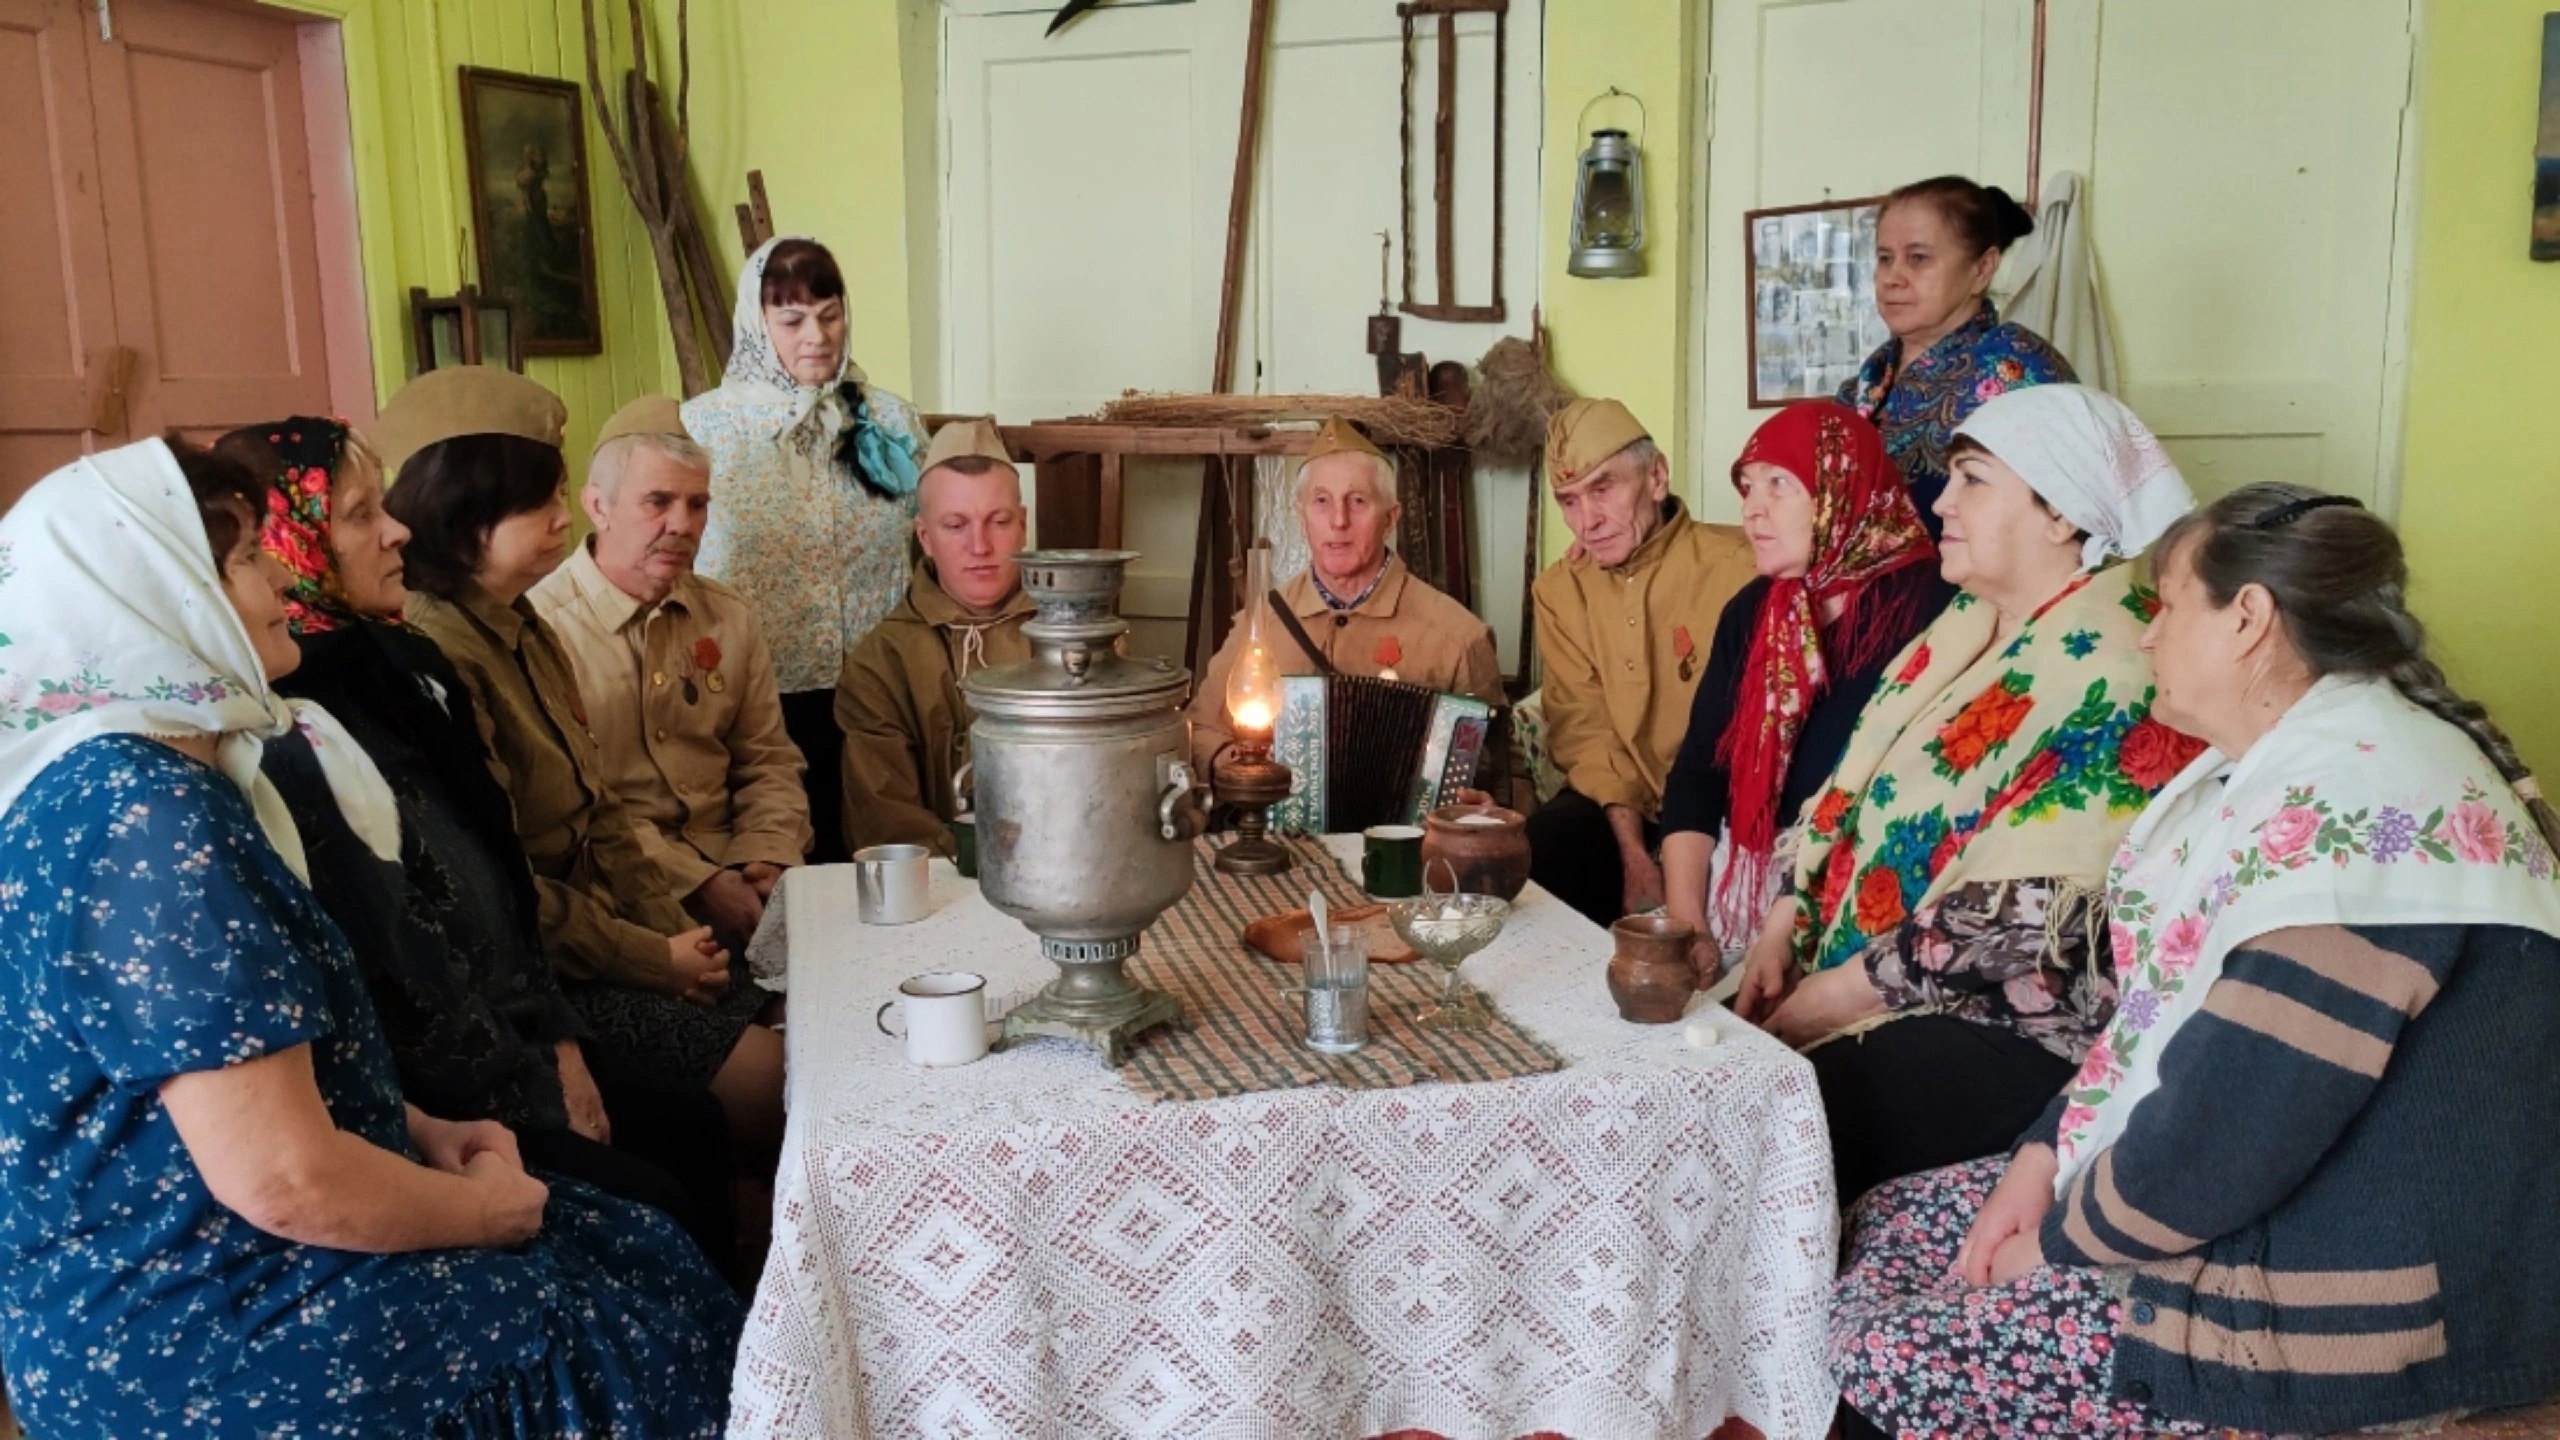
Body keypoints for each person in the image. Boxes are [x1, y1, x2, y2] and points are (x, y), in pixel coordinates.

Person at [0, 437, 739, 1438]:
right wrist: (485, 1213)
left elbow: (250, 1080)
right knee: (628, 1315)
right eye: (246, 561)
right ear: (155, 594)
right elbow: (283, 1178)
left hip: (218, 1258)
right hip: (199, 1323)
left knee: (631, 1241)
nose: (274, 583)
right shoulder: (144, 818)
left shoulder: (134, 779)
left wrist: (421, 1131)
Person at [1830, 483, 2560, 1440]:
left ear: (2248, 617)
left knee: (1890, 1349)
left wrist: (2053, 1243)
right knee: (1891, 1222)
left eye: (2169, 604)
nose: (2146, 635)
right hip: (2263, 1196)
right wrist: (2042, 1156)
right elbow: (2156, 1019)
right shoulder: (2282, 767)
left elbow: (2223, 1141)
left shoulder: (2363, 823)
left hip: (2354, 1295)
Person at [226, 416, 739, 1280]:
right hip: (451, 1084)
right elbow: (414, 944)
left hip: (524, 1016)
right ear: (292, 536)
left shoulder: (399, 657)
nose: (394, 531)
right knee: (666, 1190)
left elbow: (494, 872)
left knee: (695, 1132)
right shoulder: (291, 723)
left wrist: (560, 1038)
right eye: (358, 514)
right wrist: (552, 1058)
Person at [1732, 384, 2204, 1203]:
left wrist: (1828, 1002)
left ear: (2063, 515)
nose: (1941, 500)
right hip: (1861, 969)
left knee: (1755, 1138)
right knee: (1685, 1066)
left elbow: (2034, 923)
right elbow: (1851, 790)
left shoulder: (2126, 659)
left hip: (2005, 1022)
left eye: (1973, 479)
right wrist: (1782, 927)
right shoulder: (1970, 624)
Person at [375, 368, 785, 1163]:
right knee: (782, 1085)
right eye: (545, 502)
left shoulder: (517, 622)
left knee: (817, 1030)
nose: (568, 520)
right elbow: (500, 890)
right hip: (553, 979)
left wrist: (678, 940)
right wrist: (652, 957)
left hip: (625, 933)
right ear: (467, 509)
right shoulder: (437, 656)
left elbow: (601, 815)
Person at [1658, 401, 1952, 978]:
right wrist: (1687, 923)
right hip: (1749, 885)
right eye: (1746, 487)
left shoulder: (1929, 610)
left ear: (1841, 488)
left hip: (1866, 898)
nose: (1751, 510)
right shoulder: (1755, 612)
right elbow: (1699, 772)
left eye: (1778, 485)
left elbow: (1901, 811)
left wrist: (1787, 921)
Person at [533, 397, 812, 957]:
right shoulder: (543, 629)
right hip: (618, 906)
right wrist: (701, 884)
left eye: (698, 504)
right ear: (598, 506)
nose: (683, 525)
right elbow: (575, 812)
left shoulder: (728, 616)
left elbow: (768, 759)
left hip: (746, 882)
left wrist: (765, 857)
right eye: (658, 502)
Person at [686, 236, 930, 865]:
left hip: (881, 690)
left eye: (830, 314)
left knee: (886, 864)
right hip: (759, 696)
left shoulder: (892, 421)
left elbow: (926, 541)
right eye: (791, 320)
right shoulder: (704, 428)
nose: (816, 336)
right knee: (787, 864)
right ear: (758, 324)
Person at [1525, 398, 1758, 927]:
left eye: (1603, 489)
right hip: (1623, 806)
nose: (1588, 522)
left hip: (1724, 808)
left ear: (1655, 478)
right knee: (1544, 848)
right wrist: (1634, 854)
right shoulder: (1561, 590)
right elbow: (1588, 733)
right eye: (1569, 501)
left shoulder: (1740, 569)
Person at [1186, 417, 1504, 782]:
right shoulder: (1258, 627)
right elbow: (1199, 728)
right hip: (1277, 833)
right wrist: (1233, 763)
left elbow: (1498, 771)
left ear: (1390, 519)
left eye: (1358, 501)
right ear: (1302, 518)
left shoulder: (1459, 638)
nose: (1339, 520)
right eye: (1321, 501)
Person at [833, 417, 1036, 855]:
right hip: (939, 885)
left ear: (1023, 525)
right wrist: (979, 861)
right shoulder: (882, 662)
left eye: (998, 522)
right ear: (925, 536)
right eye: (955, 525)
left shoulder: (1075, 636)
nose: (979, 546)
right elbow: (883, 819)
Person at [1838, 175, 2076, 529]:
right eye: (1885, 258)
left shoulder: (2023, 375)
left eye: (1918, 258)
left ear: (1982, 269)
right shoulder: (1860, 389)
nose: (1892, 277)